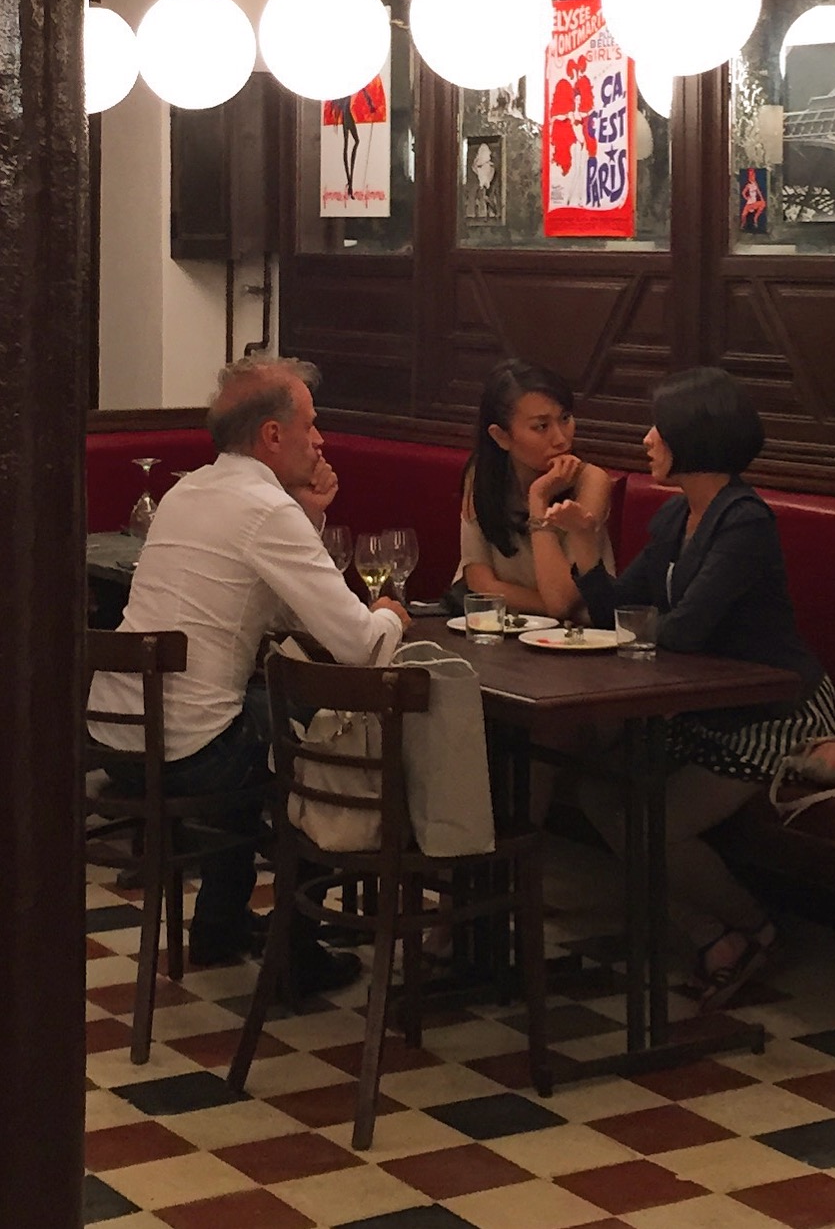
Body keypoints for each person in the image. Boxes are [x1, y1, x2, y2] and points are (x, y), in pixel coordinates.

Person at [88, 355, 411, 994]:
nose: (320, 440)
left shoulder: (192, 489)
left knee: (256, 707)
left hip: (119, 737)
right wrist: (392, 613)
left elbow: (287, 607)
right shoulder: (265, 508)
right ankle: (297, 946)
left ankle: (220, 924)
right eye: (311, 425)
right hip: (191, 749)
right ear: (271, 435)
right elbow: (358, 647)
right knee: (322, 740)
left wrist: (311, 515)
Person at [546, 365, 835, 1010]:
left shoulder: (744, 521)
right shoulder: (679, 514)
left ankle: (758, 929)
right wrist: (585, 543)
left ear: (693, 438)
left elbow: (684, 630)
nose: (647, 440)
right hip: (704, 703)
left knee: (656, 823)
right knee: (600, 790)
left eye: (659, 428)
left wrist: (637, 622)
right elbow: (616, 609)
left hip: (772, 712)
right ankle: (713, 935)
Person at [456, 360, 614, 621]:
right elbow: (479, 583)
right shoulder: (482, 477)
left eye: (565, 419)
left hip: (578, 643)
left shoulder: (591, 481)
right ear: (501, 437)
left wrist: (538, 498)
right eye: (541, 426)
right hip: (504, 630)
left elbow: (561, 601)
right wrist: (545, 604)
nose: (561, 438)